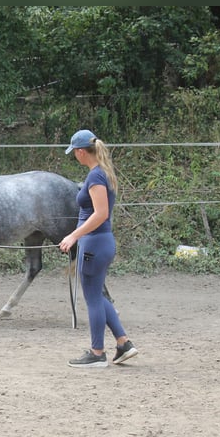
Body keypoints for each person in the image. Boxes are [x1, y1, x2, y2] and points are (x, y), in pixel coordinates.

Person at [58, 129, 138, 368]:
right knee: (98, 296)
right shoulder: (103, 173)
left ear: (82, 152)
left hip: (94, 242)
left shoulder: (95, 177)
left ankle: (97, 352)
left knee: (92, 298)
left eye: (74, 152)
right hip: (100, 242)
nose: (74, 156)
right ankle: (123, 343)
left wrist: (73, 235)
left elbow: (100, 213)